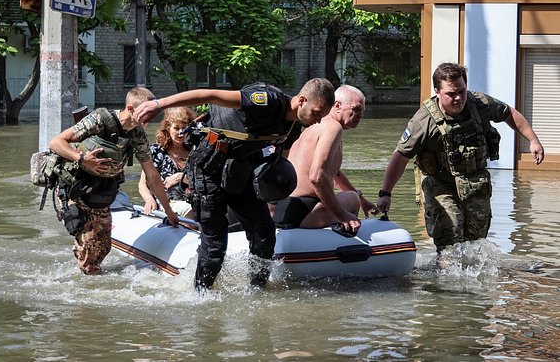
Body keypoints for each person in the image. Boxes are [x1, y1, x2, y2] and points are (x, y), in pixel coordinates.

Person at [133, 78, 335, 290]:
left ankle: (257, 290)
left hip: (241, 172)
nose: (319, 120)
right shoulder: (266, 100)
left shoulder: (293, 127)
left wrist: (271, 195)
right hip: (207, 169)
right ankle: (200, 296)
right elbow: (211, 95)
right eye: (317, 112)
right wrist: (158, 104)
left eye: (323, 115)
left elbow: (277, 163)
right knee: (215, 247)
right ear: (302, 100)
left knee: (264, 233)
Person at [376, 63, 544, 255]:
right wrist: (385, 193)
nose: (458, 98)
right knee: (450, 233)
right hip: (440, 185)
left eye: (462, 91)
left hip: (475, 182)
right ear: (438, 92)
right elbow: (400, 157)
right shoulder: (423, 122)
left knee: (476, 243)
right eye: (451, 94)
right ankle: (444, 279)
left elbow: (509, 113)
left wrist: (533, 140)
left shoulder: (480, 104)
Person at [48, 87, 179, 275]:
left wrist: (169, 212)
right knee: (90, 248)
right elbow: (56, 142)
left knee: (104, 247)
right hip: (75, 188)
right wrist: (82, 159)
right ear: (131, 109)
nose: (151, 117)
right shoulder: (100, 120)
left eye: (152, 112)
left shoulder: (137, 134)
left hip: (100, 191)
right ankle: (85, 293)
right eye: (146, 112)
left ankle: (84, 271)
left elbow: (152, 175)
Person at [273, 85, 377, 234]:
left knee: (355, 197)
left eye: (362, 111)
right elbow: (317, 177)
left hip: (283, 208)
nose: (360, 115)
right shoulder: (334, 128)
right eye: (356, 109)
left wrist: (363, 200)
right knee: (352, 199)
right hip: (303, 211)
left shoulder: (313, 126)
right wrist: (342, 214)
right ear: (338, 106)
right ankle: (342, 233)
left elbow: (334, 172)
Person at [139, 107, 196, 218]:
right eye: (176, 128)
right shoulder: (156, 151)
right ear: (168, 128)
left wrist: (181, 177)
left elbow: (202, 182)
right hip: (167, 202)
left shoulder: (194, 152)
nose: (181, 133)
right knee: (191, 210)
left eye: (184, 128)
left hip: (192, 199)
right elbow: (142, 184)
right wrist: (149, 199)